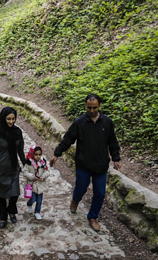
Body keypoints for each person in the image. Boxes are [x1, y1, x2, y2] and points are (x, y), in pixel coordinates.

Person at [49, 94, 121, 232]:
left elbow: (113, 141)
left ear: (99, 106)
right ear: (86, 106)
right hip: (83, 164)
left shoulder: (107, 122)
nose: (92, 110)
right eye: (89, 108)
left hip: (100, 166)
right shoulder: (80, 122)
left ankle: (93, 217)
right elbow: (68, 139)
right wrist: (57, 154)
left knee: (100, 193)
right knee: (81, 188)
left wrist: (116, 158)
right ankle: (75, 200)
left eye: (94, 108)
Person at [0, 107, 28, 228]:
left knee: (14, 194)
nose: (11, 122)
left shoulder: (17, 133)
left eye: (13, 119)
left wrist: (27, 164)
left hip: (13, 169)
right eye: (8, 119)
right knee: (1, 195)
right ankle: (3, 217)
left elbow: (20, 152)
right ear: (3, 118)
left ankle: (11, 211)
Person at [23, 145, 49, 220]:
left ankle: (37, 212)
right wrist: (32, 176)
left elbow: (47, 171)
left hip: (40, 184)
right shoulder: (28, 163)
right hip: (32, 185)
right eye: (36, 154)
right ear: (32, 154)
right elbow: (25, 172)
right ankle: (29, 204)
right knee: (33, 198)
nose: (38, 156)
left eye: (39, 154)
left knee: (39, 200)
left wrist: (43, 176)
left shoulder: (43, 162)